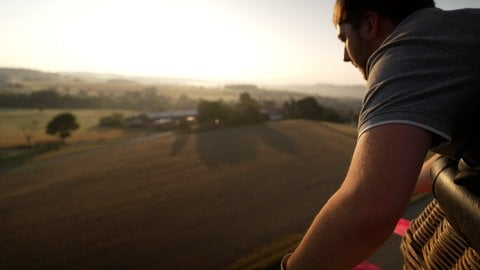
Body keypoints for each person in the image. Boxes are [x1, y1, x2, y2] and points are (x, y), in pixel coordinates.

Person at [282, 1, 480, 269]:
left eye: (345, 37)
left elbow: (368, 212)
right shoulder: (456, 30)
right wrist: (396, 178)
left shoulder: (408, 48)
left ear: (370, 24)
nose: (344, 55)